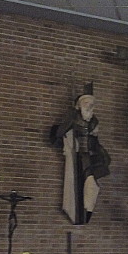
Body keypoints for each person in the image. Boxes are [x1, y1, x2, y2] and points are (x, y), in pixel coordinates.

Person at [51, 91, 111, 224]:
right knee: (84, 183)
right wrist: (70, 122)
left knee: (92, 185)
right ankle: (82, 211)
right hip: (76, 156)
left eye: (91, 104)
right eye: (86, 103)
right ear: (79, 106)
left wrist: (102, 154)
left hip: (88, 157)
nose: (89, 106)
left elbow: (94, 142)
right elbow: (60, 133)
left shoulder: (94, 122)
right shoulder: (72, 117)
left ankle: (88, 210)